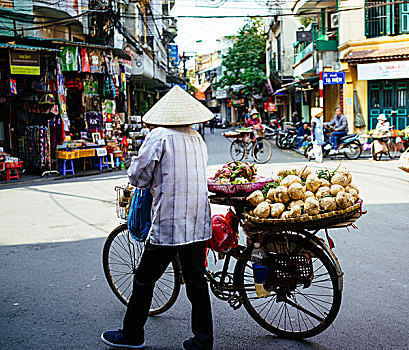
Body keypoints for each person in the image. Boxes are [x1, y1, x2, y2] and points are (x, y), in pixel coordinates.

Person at [101, 85, 214, 350]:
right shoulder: (196, 138)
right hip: (197, 221)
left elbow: (137, 177)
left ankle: (132, 335)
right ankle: (203, 340)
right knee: (197, 283)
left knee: (144, 278)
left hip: (170, 223)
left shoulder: (159, 136)